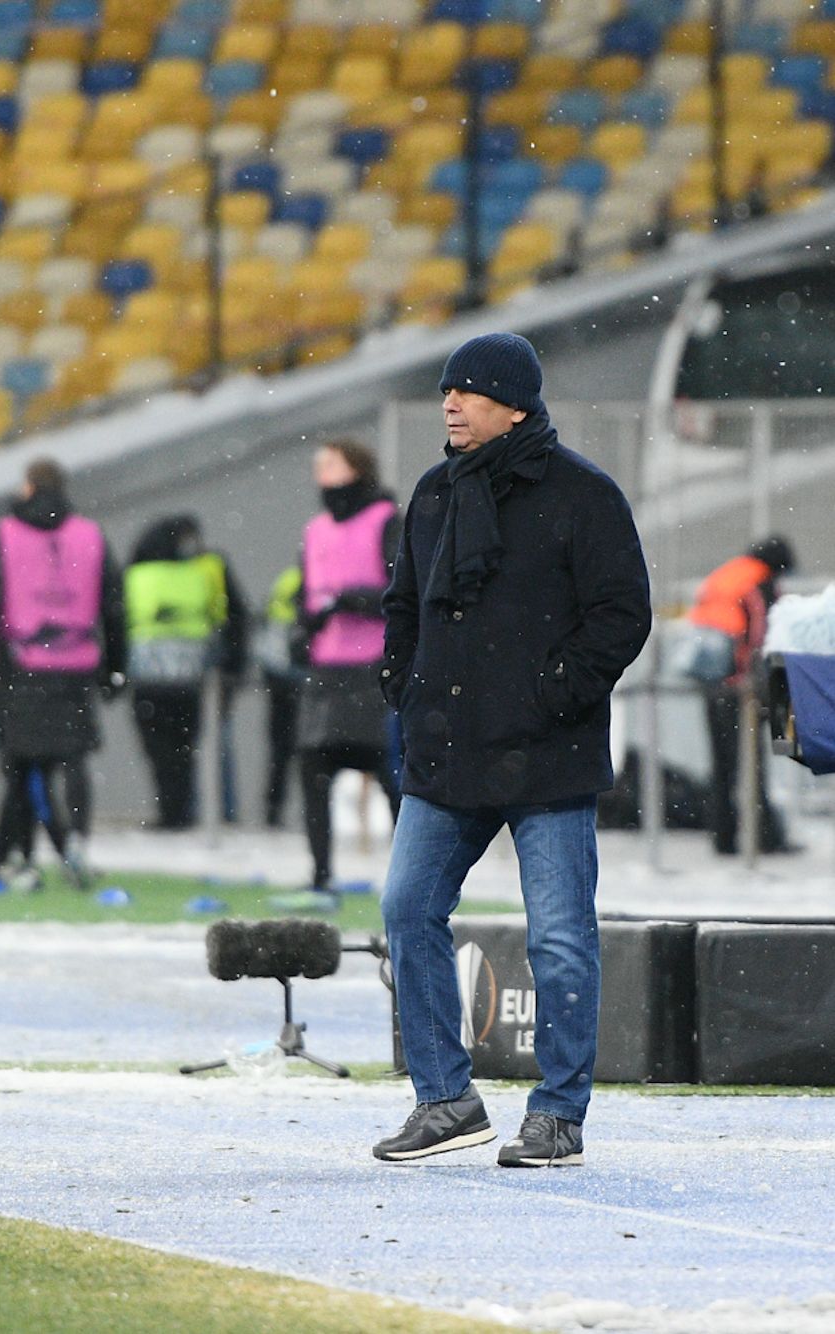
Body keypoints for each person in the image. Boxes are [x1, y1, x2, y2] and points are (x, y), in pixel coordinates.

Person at [373, 333, 651, 1168]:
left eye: (470, 391)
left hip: (545, 754)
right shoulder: (431, 493)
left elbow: (622, 614)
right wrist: (407, 684)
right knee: (405, 909)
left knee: (559, 936)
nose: (451, 404)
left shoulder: (583, 495)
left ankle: (558, 1115)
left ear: (515, 405)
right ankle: (446, 1100)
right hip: (446, 752)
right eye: (448, 390)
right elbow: (404, 608)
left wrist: (549, 693)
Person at [0, 457, 126, 889]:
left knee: (24, 768)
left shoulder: (7, 535)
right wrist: (115, 668)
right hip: (77, 664)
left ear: (29, 487)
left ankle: (19, 857)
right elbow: (114, 606)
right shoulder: (90, 535)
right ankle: (76, 844)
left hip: (21, 667)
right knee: (73, 759)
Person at [294, 438, 401, 894]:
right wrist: (307, 622)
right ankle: (320, 873)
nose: (323, 474)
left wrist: (352, 599)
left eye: (332, 464)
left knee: (391, 774)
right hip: (327, 668)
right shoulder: (315, 530)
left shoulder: (386, 520)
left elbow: (401, 591)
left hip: (373, 667)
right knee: (312, 769)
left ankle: (408, 876)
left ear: (357, 468)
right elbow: (305, 594)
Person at [124, 514, 248, 830]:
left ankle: (175, 813)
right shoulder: (202, 572)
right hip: (194, 676)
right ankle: (205, 815)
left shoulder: (138, 575)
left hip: (149, 676)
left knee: (163, 752)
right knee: (194, 750)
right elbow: (230, 617)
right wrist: (233, 664)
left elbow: (119, 622)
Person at [688, 535, 796, 855]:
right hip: (741, 688)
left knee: (722, 766)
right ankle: (763, 838)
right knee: (751, 765)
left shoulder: (726, 574)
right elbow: (762, 631)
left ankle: (723, 837)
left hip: (711, 682)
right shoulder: (758, 580)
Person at [255, 566, 303, 827]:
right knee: (306, 753)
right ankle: (280, 812)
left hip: (280, 675)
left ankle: (273, 811)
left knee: (280, 752)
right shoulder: (313, 579)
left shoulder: (286, 578)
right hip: (301, 676)